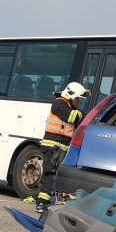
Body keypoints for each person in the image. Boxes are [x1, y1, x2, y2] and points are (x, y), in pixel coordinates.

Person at [36, 81, 87, 215]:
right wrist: (82, 114)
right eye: (77, 98)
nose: (78, 102)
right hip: (53, 147)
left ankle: (51, 203)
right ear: (71, 95)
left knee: (56, 176)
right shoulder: (59, 103)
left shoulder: (67, 105)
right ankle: (42, 203)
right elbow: (72, 117)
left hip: (61, 148)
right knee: (49, 175)